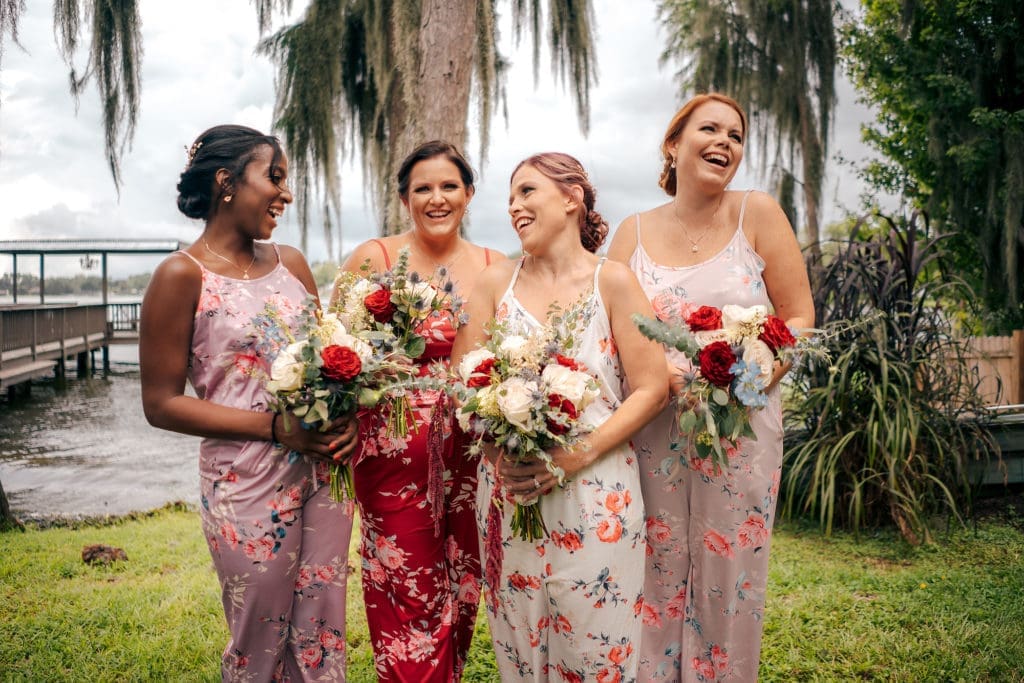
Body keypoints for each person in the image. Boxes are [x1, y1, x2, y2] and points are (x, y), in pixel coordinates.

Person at [606, 93, 815, 681]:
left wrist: (753, 371)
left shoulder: (758, 213)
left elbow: (799, 315)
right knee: (655, 563)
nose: (726, 141)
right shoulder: (632, 232)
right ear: (674, 144)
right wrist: (657, 375)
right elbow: (609, 330)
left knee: (731, 573)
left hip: (740, 424)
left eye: (737, 135)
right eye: (710, 128)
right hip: (653, 425)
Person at [140, 124, 359, 682]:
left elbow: (330, 358)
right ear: (226, 182)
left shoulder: (293, 264)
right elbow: (161, 404)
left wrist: (347, 419)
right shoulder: (179, 275)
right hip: (245, 479)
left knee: (322, 626)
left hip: (324, 470)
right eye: (275, 177)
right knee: (258, 632)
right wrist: (275, 428)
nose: (285, 195)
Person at [452, 152, 669, 681]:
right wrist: (498, 450)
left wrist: (577, 455)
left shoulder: (613, 282)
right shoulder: (492, 285)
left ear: (571, 197)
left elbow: (652, 387)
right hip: (510, 492)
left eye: (527, 191)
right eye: (509, 198)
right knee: (520, 648)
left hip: (597, 493)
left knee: (598, 650)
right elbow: (462, 385)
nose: (513, 207)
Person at [336, 140, 504, 682]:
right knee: (407, 587)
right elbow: (333, 349)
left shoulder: (494, 266)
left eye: (449, 186)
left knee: (463, 585)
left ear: (469, 194)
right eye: (422, 188)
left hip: (472, 457)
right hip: (394, 457)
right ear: (404, 199)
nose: (437, 198)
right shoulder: (374, 258)